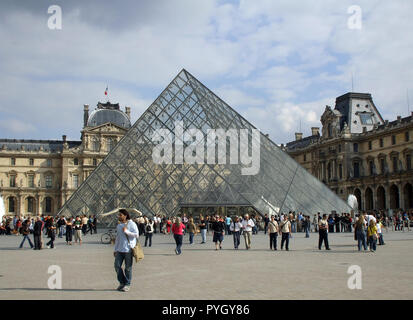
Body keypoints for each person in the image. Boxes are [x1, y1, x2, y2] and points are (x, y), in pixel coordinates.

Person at [114, 209, 139, 292]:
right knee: (117, 266)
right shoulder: (119, 225)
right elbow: (117, 238)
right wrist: (115, 249)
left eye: (120, 215)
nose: (119, 216)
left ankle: (127, 284)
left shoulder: (132, 224)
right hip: (119, 250)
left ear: (125, 215)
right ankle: (122, 282)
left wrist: (127, 231)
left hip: (128, 249)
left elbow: (136, 234)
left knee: (128, 268)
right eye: (119, 215)